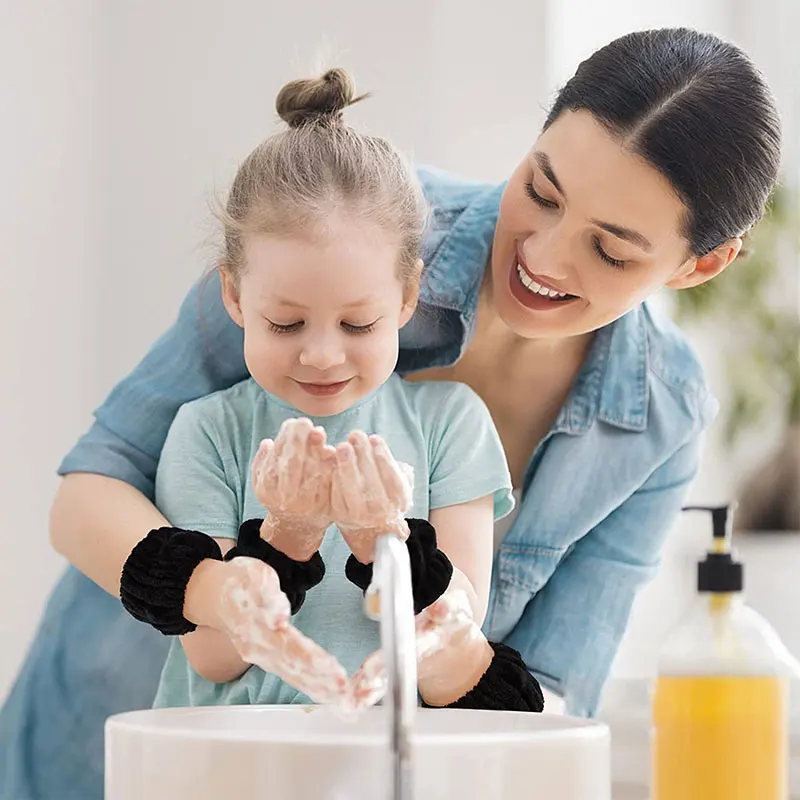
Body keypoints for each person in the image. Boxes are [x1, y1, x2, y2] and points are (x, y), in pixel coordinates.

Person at [0, 27, 781, 800]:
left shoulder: (660, 419)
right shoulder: (338, 223)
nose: (543, 257)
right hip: (115, 727)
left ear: (700, 265)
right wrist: (225, 593)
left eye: (610, 250)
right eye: (541, 191)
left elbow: (546, 700)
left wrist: (431, 617)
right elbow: (88, 492)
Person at [116, 67, 535, 714]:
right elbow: (215, 655)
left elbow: (456, 635)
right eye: (285, 322)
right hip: (236, 765)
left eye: (356, 322)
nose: (320, 353)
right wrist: (284, 537)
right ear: (233, 295)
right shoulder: (207, 433)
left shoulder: (451, 425)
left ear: (406, 295)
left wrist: (386, 543)